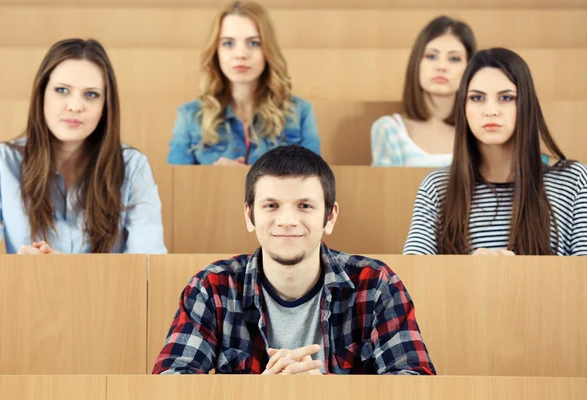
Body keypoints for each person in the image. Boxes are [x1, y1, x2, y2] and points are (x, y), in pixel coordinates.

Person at [153, 145, 435, 375]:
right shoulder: (212, 286)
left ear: (330, 216)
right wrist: (260, 396)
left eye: (304, 206)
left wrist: (328, 395)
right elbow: (171, 385)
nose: (287, 221)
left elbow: (415, 385)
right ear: (249, 216)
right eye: (271, 206)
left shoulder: (376, 284)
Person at [0, 38, 166, 254]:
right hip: (24, 288)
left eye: (91, 94)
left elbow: (147, 266)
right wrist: (21, 273)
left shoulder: (133, 167)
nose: (75, 106)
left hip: (108, 289)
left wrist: (64, 272)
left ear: (105, 105)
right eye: (62, 90)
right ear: (42, 93)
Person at [404, 48, 587, 255]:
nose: (491, 110)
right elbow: (411, 278)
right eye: (477, 98)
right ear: (463, 107)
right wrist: (470, 270)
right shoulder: (436, 188)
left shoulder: (573, 180)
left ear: (526, 104)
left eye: (506, 98)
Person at [167, 1, 320, 166]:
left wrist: (255, 176)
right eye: (228, 43)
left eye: (253, 43)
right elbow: (176, 184)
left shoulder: (300, 113)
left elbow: (315, 182)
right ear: (216, 51)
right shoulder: (189, 115)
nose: (240, 54)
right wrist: (210, 178)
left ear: (267, 50)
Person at [371, 16, 476, 167]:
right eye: (431, 56)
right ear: (417, 63)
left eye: (454, 58)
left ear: (470, 68)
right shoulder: (389, 130)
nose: (441, 66)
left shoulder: (479, 130)